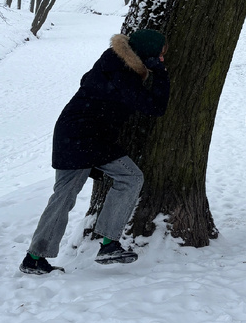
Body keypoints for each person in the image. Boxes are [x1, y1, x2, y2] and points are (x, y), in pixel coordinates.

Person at [20, 28, 170, 274]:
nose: (162, 60)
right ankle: (108, 244)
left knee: (64, 197)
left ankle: (35, 258)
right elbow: (155, 107)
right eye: (160, 56)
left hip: (74, 133)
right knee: (129, 178)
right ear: (147, 54)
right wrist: (161, 74)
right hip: (84, 137)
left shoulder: (111, 62)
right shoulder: (122, 73)